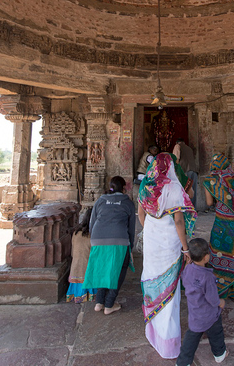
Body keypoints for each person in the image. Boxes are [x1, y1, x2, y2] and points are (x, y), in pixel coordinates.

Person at [139, 152, 197, 359]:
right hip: (169, 242)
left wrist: (151, 231)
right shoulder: (173, 187)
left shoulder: (145, 186)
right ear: (170, 167)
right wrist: (185, 249)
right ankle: (168, 344)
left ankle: (153, 332)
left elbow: (141, 214)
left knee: (151, 278)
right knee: (170, 290)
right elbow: (179, 222)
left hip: (152, 241)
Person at [82, 176, 136, 315]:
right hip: (119, 239)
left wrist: (95, 240)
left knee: (102, 267)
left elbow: (92, 223)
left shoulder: (100, 200)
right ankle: (109, 304)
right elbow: (131, 229)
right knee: (119, 269)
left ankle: (99, 302)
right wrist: (130, 246)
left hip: (98, 239)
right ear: (123, 188)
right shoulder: (128, 203)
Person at [176, 238, 228, 366]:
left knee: (191, 339)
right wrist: (220, 302)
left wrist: (188, 266)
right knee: (216, 334)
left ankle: (182, 363)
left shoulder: (187, 270)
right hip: (210, 315)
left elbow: (184, 279)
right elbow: (212, 298)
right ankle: (220, 354)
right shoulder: (208, 277)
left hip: (195, 313)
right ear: (206, 257)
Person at [203, 153, 234, 300]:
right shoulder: (233, 177)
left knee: (218, 251)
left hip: (221, 221)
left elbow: (209, 203)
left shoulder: (210, 180)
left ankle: (220, 288)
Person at [66, 209, 97, 303]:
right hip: (87, 270)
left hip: (75, 269)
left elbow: (72, 252)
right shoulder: (93, 234)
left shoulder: (76, 232)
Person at [172, 138, 199, 206]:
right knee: (193, 192)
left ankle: (186, 210)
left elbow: (176, 158)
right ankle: (193, 209)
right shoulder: (189, 148)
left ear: (177, 142)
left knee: (185, 191)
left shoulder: (177, 146)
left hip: (185, 171)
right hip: (193, 171)